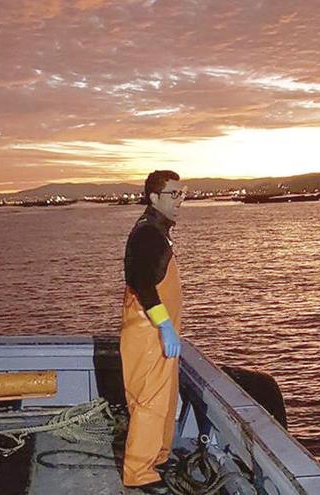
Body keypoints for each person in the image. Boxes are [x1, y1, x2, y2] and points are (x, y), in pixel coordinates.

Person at [121, 170, 186, 492]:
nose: (180, 201)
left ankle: (158, 457)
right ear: (154, 198)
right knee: (149, 402)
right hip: (149, 332)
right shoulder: (148, 235)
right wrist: (164, 326)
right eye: (173, 194)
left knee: (165, 398)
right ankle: (138, 472)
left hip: (158, 333)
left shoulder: (158, 232)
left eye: (182, 193)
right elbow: (142, 283)